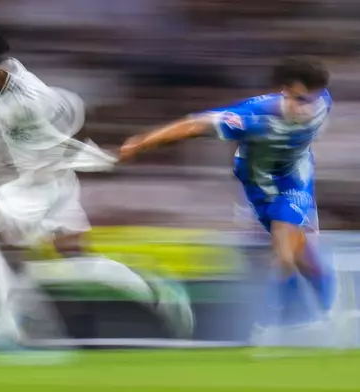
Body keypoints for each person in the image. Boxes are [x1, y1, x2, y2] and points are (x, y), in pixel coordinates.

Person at [0, 30, 193, 354]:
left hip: (38, 180)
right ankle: (153, 288)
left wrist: (104, 159)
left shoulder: (31, 102)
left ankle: (12, 328)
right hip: (39, 179)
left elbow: (64, 139)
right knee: (71, 257)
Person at [120, 57, 337, 344]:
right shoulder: (253, 116)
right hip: (257, 186)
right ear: (284, 91)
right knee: (305, 258)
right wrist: (141, 142)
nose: (308, 108)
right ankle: (324, 315)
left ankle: (284, 324)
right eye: (300, 99)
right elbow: (192, 126)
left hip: (295, 181)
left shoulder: (323, 102)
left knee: (284, 247)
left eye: (313, 99)